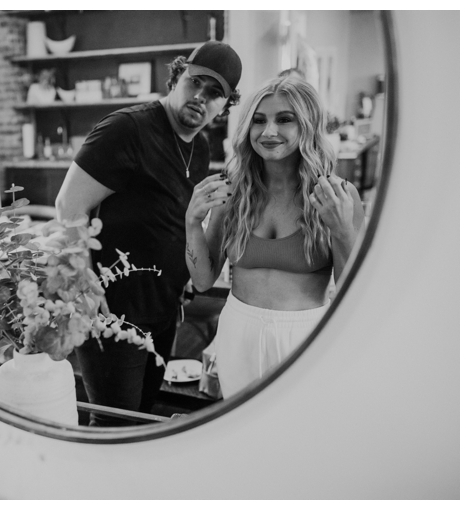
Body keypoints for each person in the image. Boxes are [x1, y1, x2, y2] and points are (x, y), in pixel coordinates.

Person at [54, 41, 242, 425]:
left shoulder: (200, 146)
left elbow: (174, 216)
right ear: (176, 77)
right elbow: (68, 206)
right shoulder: (127, 129)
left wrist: (182, 274)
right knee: (115, 425)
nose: (200, 97)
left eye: (214, 93)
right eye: (195, 82)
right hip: (113, 311)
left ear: (225, 106)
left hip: (162, 310)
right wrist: (84, 281)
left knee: (143, 421)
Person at [186, 76, 362, 398]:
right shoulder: (234, 191)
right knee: (242, 427)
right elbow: (202, 280)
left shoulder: (337, 195)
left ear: (307, 125)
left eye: (284, 119)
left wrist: (342, 229)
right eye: (258, 121)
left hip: (305, 335)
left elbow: (355, 293)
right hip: (238, 332)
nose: (268, 132)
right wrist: (192, 223)